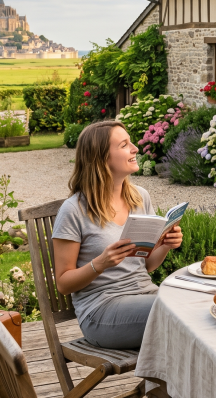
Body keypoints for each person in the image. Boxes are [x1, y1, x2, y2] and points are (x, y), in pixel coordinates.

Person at [52, 120, 183, 349]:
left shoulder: (139, 197)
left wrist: (165, 245)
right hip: (100, 310)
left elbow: (147, 265)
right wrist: (99, 264)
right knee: (182, 312)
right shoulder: (74, 210)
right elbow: (63, 284)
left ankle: (162, 385)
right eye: (124, 145)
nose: (135, 149)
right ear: (101, 158)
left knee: (198, 301)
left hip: (145, 296)